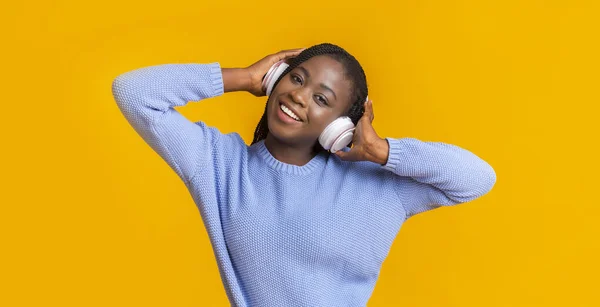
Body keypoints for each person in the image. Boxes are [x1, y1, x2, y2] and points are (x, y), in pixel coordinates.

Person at [111, 43, 496, 307]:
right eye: (296, 79)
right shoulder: (220, 164)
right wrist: (244, 77)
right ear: (276, 78)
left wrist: (382, 151)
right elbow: (133, 92)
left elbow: (477, 178)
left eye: (321, 98)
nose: (299, 96)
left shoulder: (375, 184)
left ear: (342, 126)